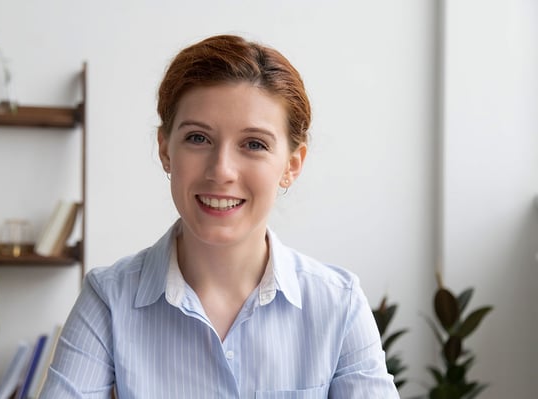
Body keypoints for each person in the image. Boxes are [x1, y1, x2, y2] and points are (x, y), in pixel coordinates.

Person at [39, 34, 399, 398]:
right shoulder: (108, 300)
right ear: (165, 150)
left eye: (254, 144)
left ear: (292, 164)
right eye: (198, 138)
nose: (221, 170)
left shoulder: (338, 305)